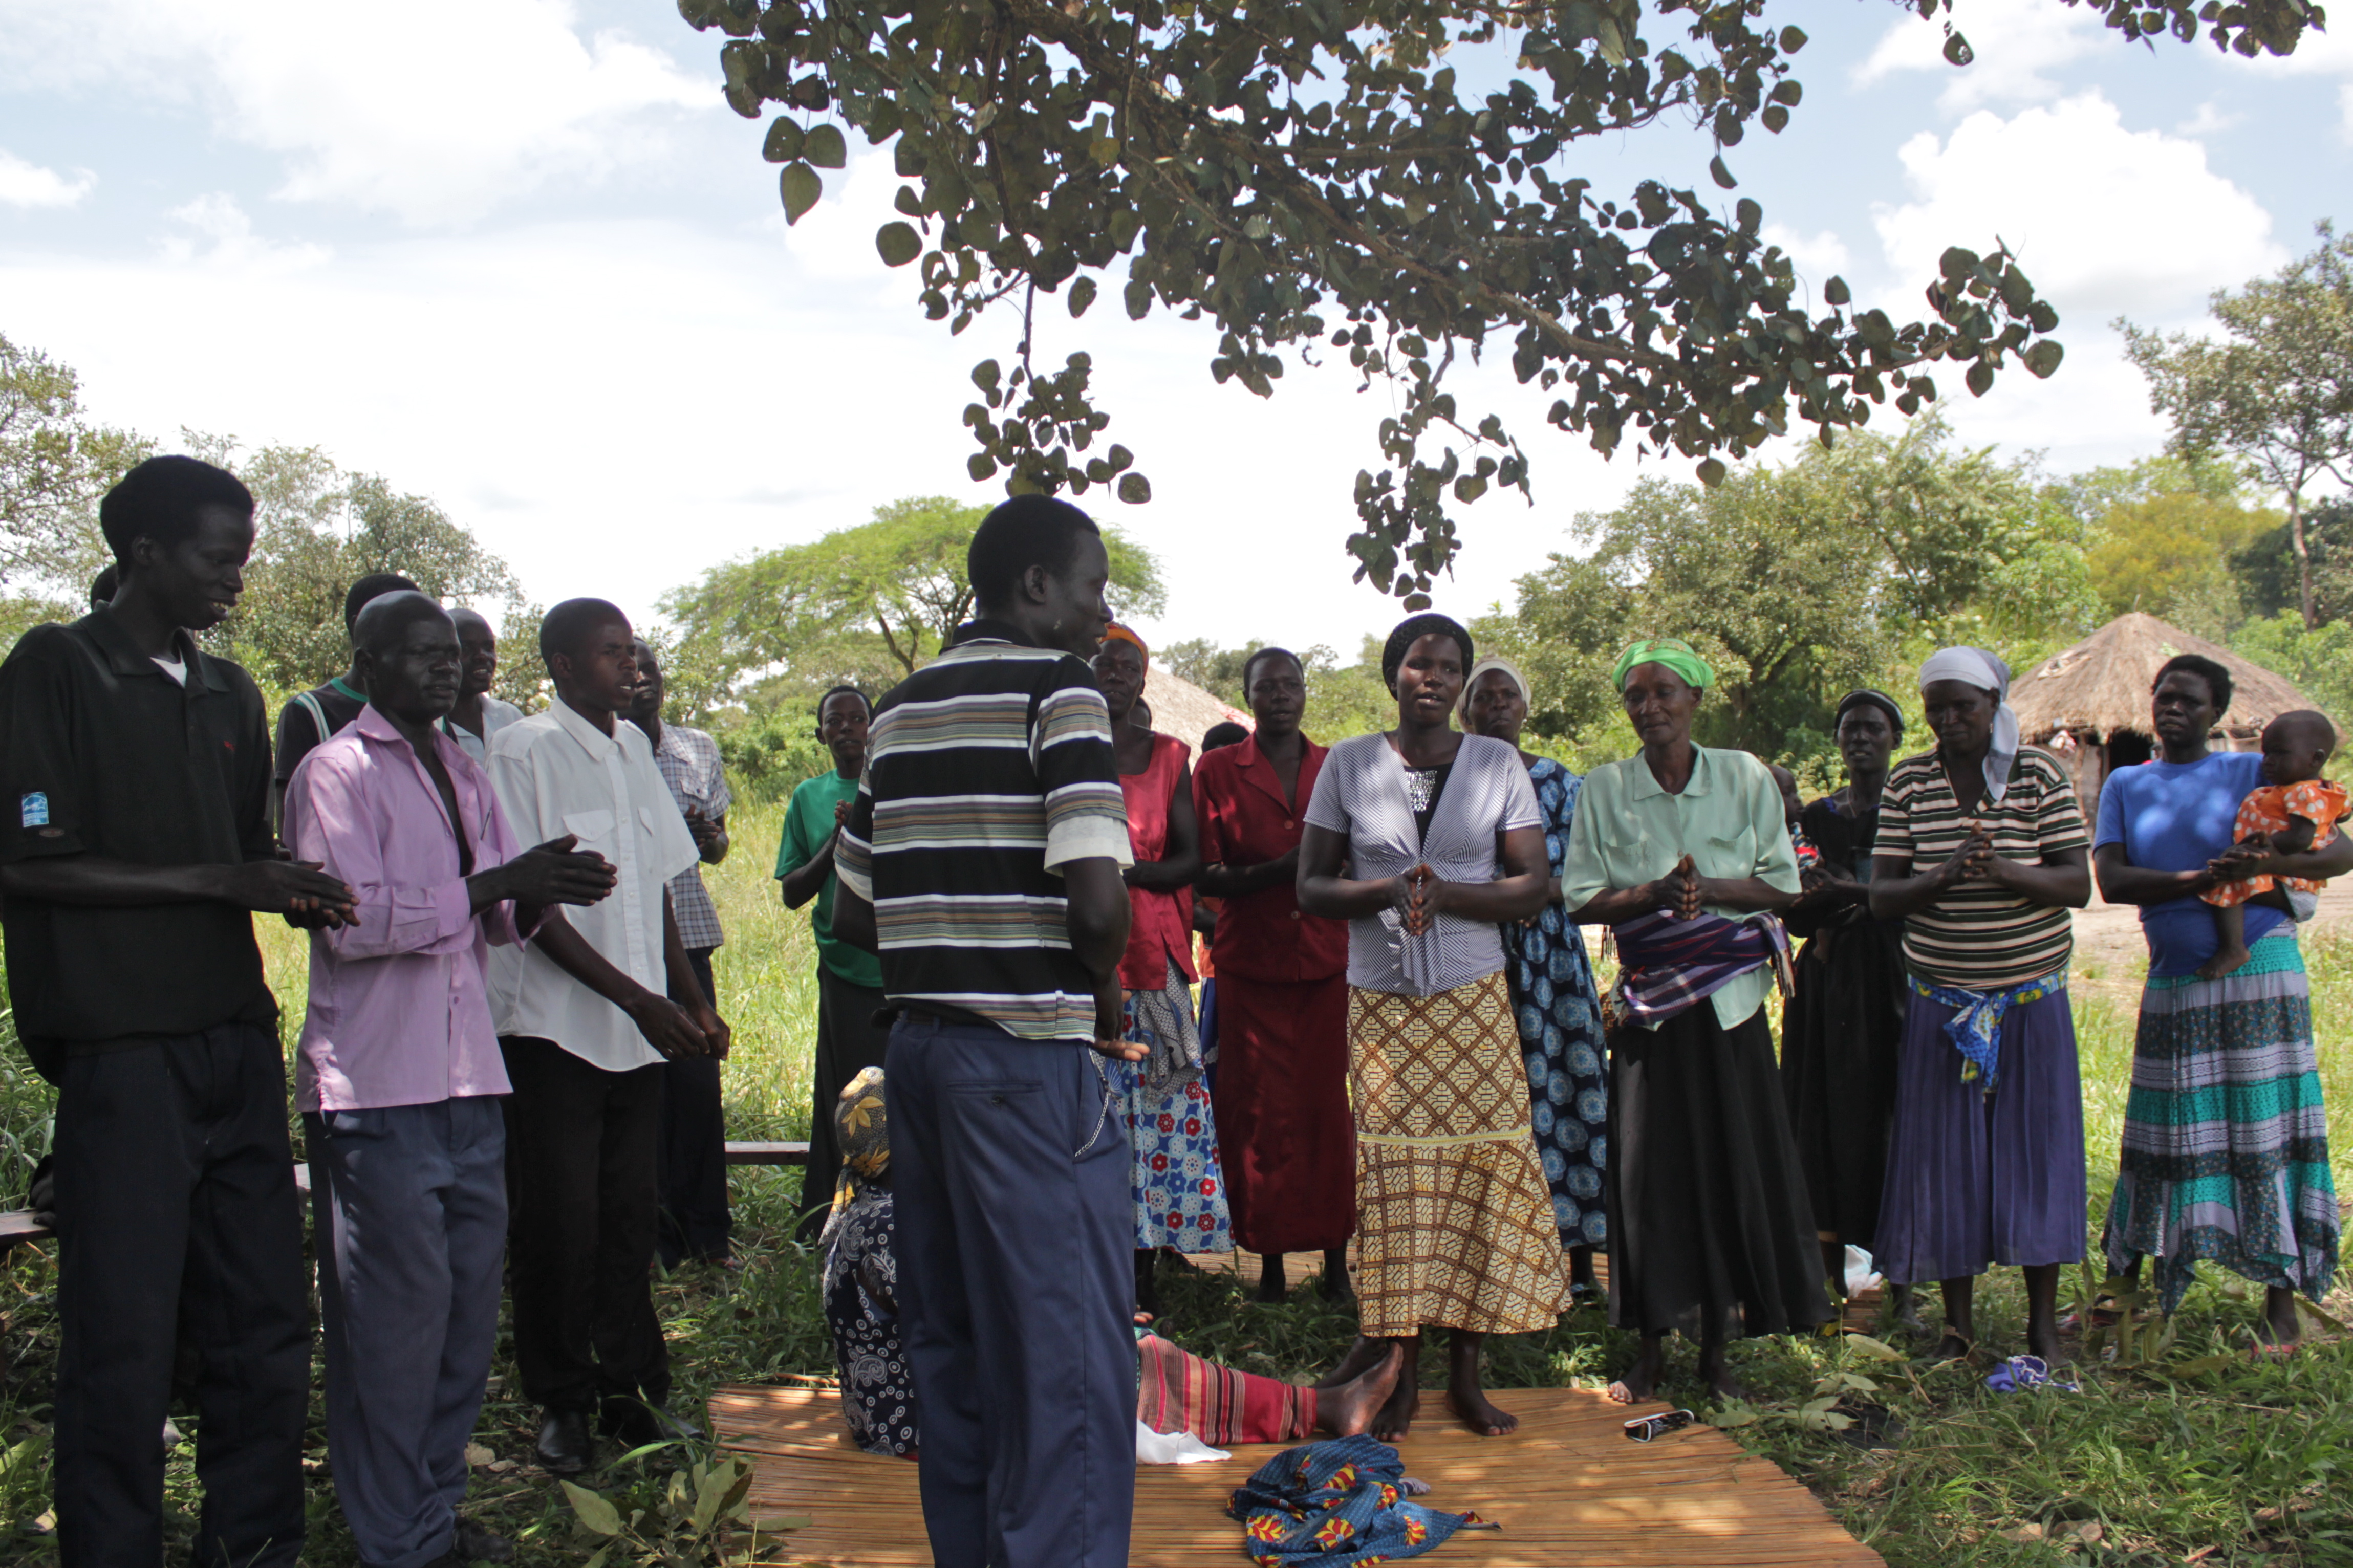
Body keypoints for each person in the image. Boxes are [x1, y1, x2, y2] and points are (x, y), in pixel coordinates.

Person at [0, 455, 359, 1568]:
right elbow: (30, 860)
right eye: (217, 558)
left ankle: (254, 1541)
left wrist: (292, 883)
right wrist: (221, 882)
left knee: (264, 1321)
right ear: (141, 552)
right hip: (122, 1052)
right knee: (124, 1334)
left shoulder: (232, 691)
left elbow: (239, 852)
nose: (234, 582)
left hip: (232, 1043)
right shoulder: (56, 668)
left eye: (242, 561)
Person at [830, 495, 1145, 1568]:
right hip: (1026, 1058)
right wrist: (1097, 984)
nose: (1105, 616)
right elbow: (1100, 909)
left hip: (920, 1053)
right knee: (1066, 1358)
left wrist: (955, 914)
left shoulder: (901, 707)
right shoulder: (1061, 692)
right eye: (1095, 586)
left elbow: (856, 906)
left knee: (956, 1343)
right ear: (1038, 585)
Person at [285, 592, 618, 1568]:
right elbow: (350, 920)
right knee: (392, 1325)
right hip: (378, 1088)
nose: (445, 668)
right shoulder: (335, 771)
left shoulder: (466, 769)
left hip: (471, 1079)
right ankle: (399, 1538)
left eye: (453, 654)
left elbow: (494, 914)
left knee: (465, 1317)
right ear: (368, 661)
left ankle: (431, 1508)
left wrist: (539, 885)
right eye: (420, 653)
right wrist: (492, 885)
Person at [817, 1067, 1404, 1461]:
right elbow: (974, 1325)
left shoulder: (868, 1209)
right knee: (1139, 1368)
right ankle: (1319, 1409)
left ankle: (1310, 1406)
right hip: (927, 1430)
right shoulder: (893, 1227)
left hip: (913, 1412)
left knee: (1130, 1352)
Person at [1298, 613, 1568, 1440]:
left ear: (1460, 681)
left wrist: (1449, 895)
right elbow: (1310, 885)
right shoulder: (1347, 762)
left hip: (1471, 996)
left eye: (1449, 666)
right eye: (1419, 663)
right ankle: (1397, 1372)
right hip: (1381, 1004)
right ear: (1392, 675)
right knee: (1396, 1182)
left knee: (1479, 1170)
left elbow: (1533, 884)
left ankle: (1465, 1373)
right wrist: (1383, 892)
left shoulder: (1494, 764)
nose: (1435, 677)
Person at [486, 599, 732, 1474]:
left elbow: (660, 880)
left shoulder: (633, 746)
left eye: (632, 651)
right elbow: (530, 905)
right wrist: (639, 999)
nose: (631, 666)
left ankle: (634, 1389)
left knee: (631, 1214)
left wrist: (689, 995)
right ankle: (561, 1399)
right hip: (557, 1032)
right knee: (560, 1222)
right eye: (610, 652)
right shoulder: (523, 752)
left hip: (639, 1032)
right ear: (558, 663)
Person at [1560, 638, 1829, 1404]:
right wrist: (1649, 896)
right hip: (1649, 1014)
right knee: (1651, 1181)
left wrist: (1707, 888)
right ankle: (1650, 1348)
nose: (1650, 708)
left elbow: (1781, 887)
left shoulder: (1743, 776)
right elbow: (1580, 897)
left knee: (1727, 1171)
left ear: (1696, 700)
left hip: (1729, 1009)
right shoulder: (1606, 790)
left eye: (1665, 693)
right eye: (1635, 697)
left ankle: (1717, 1349)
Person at [2094, 657, 2345, 1346]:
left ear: (2216, 713)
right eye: (2163, 697)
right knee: (2160, 1129)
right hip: (2176, 976)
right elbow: (2112, 881)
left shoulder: (2250, 770)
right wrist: (2205, 877)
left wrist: (2263, 867)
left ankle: (2280, 1307)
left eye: (2189, 700)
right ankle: (2130, 1291)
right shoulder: (2125, 782)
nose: (2171, 709)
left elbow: (2338, 851)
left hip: (2260, 964)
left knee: (2265, 1129)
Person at [1869, 647, 2090, 1365]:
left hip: (2030, 999)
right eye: (1937, 708)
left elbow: (2075, 885)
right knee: (1945, 1163)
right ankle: (1957, 1331)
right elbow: (1882, 897)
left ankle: (2041, 1330)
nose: (1948, 719)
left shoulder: (2037, 776)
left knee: (2038, 1157)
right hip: (1942, 1002)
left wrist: (1998, 869)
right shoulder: (1910, 783)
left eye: (1963, 705)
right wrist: (1939, 876)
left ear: (1994, 702)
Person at [1194, 647, 1355, 1304]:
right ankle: (1266, 1265)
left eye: (1291, 685)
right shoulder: (1215, 771)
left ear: (1305, 693)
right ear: (1249, 697)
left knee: (1324, 1112)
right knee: (1257, 1115)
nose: (1281, 696)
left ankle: (1336, 1264)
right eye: (1268, 687)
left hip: (1325, 962)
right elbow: (1202, 874)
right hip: (1249, 967)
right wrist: (1283, 870)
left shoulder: (1337, 766)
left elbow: (1365, 854)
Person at [1459, 657, 1609, 1304]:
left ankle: (1577, 1267)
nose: (1496, 707)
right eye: (1483, 698)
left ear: (1525, 709)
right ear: (1465, 714)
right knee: (1489, 1105)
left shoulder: (1559, 782)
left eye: (1507, 696)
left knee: (1567, 1097)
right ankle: (1496, 1266)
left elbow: (1582, 877)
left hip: (1550, 962)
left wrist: (1510, 894)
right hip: (1474, 957)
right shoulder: (1447, 783)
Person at [1094, 622, 1232, 1314]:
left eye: (1127, 664)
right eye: (1103, 663)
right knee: (1093, 1114)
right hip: (1082, 961)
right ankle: (1097, 1262)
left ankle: (1146, 1268)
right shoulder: (1066, 753)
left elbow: (1191, 860)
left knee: (1157, 1114)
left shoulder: (1171, 757)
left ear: (1143, 679)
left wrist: (1128, 873)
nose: (1114, 673)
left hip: (1153, 962)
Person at [1779, 691, 1915, 1320]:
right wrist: (1835, 900)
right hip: (1829, 983)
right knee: (1824, 1120)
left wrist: (1856, 893)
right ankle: (1830, 1281)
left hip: (1896, 976)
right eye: (1850, 729)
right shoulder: (1817, 815)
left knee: (1895, 1118)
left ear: (1894, 736)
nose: (1860, 738)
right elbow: (1798, 902)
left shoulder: (1913, 807)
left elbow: (1923, 893)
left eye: (1873, 728)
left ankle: (1904, 1283)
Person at [627, 637, 738, 1268]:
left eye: (651, 669)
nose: (642, 679)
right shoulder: (605, 750)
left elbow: (719, 848)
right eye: (630, 668)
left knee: (696, 1089)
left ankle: (707, 1236)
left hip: (688, 935)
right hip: (622, 942)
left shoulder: (696, 748)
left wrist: (709, 837)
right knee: (643, 1093)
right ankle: (654, 1238)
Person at [779, 685, 893, 1245]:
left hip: (898, 969)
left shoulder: (897, 784)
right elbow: (793, 891)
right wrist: (838, 838)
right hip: (844, 970)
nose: (846, 728)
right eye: (834, 720)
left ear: (873, 727)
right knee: (845, 1097)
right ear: (820, 731)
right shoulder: (809, 796)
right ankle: (835, 1218)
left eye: (857, 718)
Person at [2196, 710, 2346, 979]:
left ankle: (2234, 949)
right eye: (2267, 754)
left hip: (2293, 886)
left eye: (2280, 754)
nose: (2269, 762)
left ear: (2316, 759)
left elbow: (2301, 838)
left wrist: (2258, 849)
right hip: (2290, 881)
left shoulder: (2304, 792)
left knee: (2226, 878)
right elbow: (2342, 813)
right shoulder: (2307, 790)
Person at [273, 570, 420, 824]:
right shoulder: (310, 711)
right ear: (358, 625)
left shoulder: (432, 716)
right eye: (401, 622)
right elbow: (294, 818)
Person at [439, 606, 526, 765]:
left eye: (489, 647)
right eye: (466, 649)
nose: (482, 656)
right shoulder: (433, 728)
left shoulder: (509, 717)